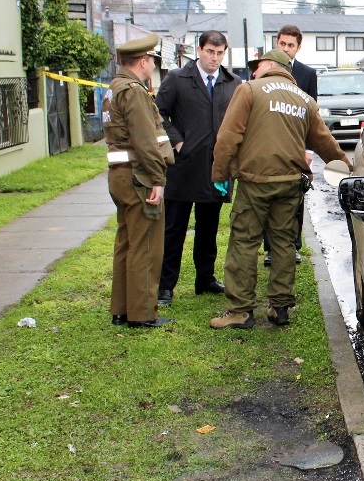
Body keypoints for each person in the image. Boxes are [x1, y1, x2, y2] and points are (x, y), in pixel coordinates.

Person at [209, 49, 351, 329]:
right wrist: (348, 168)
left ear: (271, 65)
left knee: (244, 242)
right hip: (290, 184)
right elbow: (325, 142)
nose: (253, 71)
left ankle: (240, 310)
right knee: (284, 243)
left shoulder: (249, 90)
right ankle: (280, 307)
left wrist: (219, 173)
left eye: (257, 65)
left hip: (255, 182)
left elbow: (228, 135)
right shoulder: (305, 100)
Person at [156, 30, 239, 306]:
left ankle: (205, 278)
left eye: (219, 53)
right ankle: (165, 286)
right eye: (209, 52)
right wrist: (178, 142)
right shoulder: (177, 79)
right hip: (183, 168)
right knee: (174, 229)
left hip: (216, 168)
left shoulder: (233, 83)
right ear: (199, 50)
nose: (214, 58)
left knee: (209, 227)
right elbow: (158, 115)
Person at [102, 35, 175, 328]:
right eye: (152, 61)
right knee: (146, 245)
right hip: (138, 175)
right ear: (143, 61)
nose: (152, 66)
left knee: (127, 243)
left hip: (120, 175)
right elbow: (146, 141)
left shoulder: (114, 88)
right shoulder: (133, 91)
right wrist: (158, 179)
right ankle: (143, 314)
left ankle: (122, 309)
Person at [262, 24, 318, 267]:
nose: (286, 49)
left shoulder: (307, 74)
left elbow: (311, 115)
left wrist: (309, 149)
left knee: (296, 195)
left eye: (290, 45)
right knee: (268, 195)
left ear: (298, 47)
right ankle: (270, 248)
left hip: (296, 144)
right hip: (270, 143)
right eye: (282, 44)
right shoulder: (265, 70)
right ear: (276, 43)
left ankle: (293, 245)